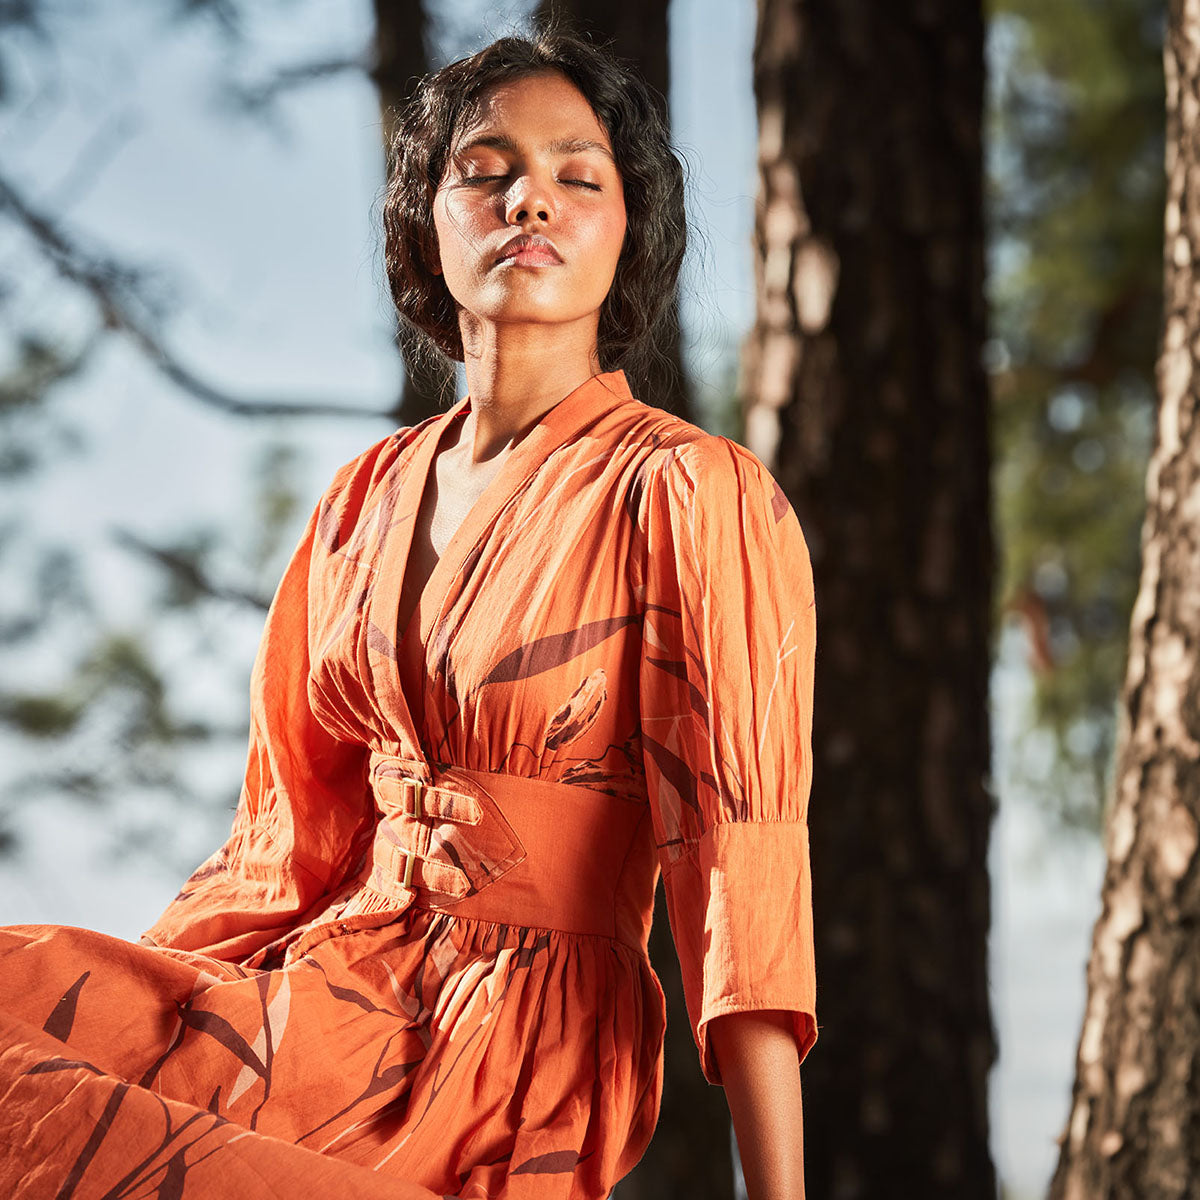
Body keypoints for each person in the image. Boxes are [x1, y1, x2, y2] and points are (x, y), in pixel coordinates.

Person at [0, 30, 817, 1200]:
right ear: (427, 218)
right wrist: (146, 1022)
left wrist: (776, 1194)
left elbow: (742, 862)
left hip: (508, 1057)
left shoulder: (689, 490)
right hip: (314, 1002)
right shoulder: (361, 498)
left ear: (626, 228)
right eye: (485, 171)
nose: (529, 196)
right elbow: (282, 841)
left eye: (578, 176)